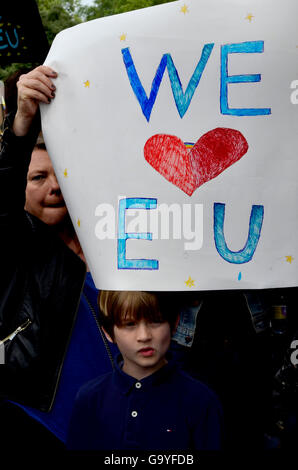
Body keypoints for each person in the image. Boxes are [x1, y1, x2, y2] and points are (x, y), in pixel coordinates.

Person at [0, 66, 117, 448]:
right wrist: (20, 130)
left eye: (62, 175)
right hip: (48, 425)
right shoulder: (17, 244)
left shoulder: (112, 242)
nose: (54, 187)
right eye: (37, 178)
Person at [67, 290, 223, 450]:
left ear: (174, 323)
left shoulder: (201, 400)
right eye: (129, 324)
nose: (144, 336)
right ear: (108, 332)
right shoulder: (90, 398)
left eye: (155, 321)